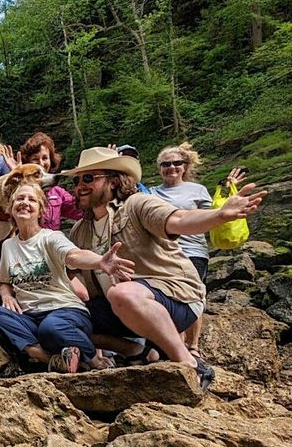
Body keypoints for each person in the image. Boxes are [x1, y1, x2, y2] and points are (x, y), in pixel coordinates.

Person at [63, 147, 266, 390]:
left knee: (123, 292)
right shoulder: (80, 230)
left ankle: (188, 362)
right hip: (122, 310)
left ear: (115, 181)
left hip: (175, 298)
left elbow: (178, 220)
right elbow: (71, 267)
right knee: (65, 320)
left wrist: (220, 215)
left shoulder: (137, 204)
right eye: (76, 180)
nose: (80, 186)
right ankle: (139, 352)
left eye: (89, 178)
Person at [0, 182, 133, 373]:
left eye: (31, 200)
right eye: (20, 198)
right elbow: (4, 281)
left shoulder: (51, 237)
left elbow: (74, 255)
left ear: (40, 210)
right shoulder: (8, 246)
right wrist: (6, 295)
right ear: (10, 208)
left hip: (64, 311)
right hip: (30, 317)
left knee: (51, 328)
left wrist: (100, 261)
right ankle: (47, 357)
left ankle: (93, 360)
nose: (25, 203)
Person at [151, 142, 247, 358]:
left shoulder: (197, 190)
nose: (171, 167)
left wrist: (227, 191)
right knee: (169, 297)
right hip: (164, 251)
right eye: (166, 164)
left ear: (185, 166)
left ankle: (193, 346)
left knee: (194, 295)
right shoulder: (153, 192)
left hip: (193, 250)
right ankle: (176, 344)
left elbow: (214, 214)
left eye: (177, 163)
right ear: (159, 168)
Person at [19, 132, 81, 231]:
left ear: (51, 160)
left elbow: (81, 211)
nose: (41, 163)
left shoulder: (57, 193)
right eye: (35, 159)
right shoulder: (17, 193)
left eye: (45, 158)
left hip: (51, 244)